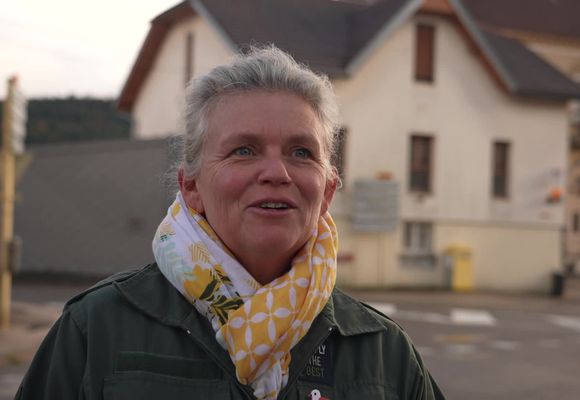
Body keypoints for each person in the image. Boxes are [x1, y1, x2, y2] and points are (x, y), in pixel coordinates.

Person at [16, 46, 445, 400]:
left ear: (328, 190)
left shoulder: (384, 355)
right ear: (191, 187)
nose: (277, 172)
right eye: (244, 150)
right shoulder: (97, 331)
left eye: (301, 152)